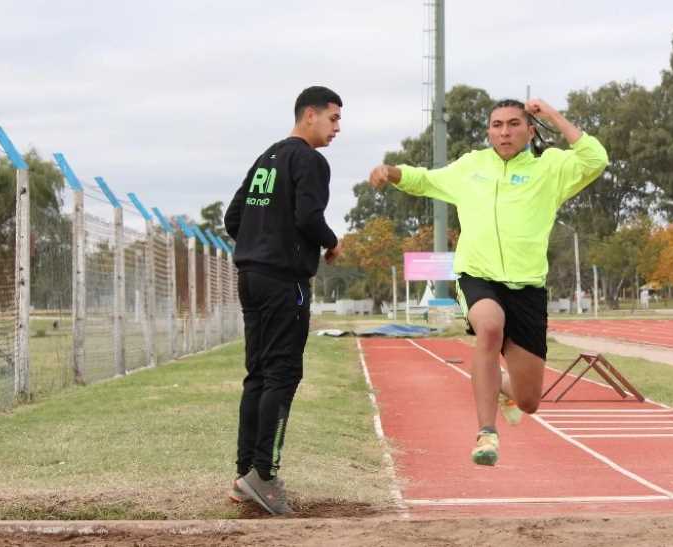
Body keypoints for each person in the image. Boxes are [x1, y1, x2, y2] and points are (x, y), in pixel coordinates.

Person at [368, 98, 607, 466]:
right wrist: (392, 171)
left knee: (529, 401)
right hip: (478, 277)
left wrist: (554, 116)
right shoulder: (471, 167)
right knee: (490, 328)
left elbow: (595, 159)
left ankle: (504, 389)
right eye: (497, 125)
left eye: (514, 124)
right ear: (488, 131)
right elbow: (426, 180)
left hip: (527, 287)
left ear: (530, 130)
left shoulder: (551, 167)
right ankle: (486, 434)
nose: (504, 131)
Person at [224, 85, 343, 514]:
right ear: (308, 115)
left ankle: (244, 476)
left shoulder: (266, 158)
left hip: (250, 276)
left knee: (257, 375)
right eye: (333, 118)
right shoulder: (309, 160)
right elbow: (308, 218)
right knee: (282, 375)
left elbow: (233, 218)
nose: (337, 129)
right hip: (282, 282)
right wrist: (331, 243)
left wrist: (261, 242)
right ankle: (265, 475)